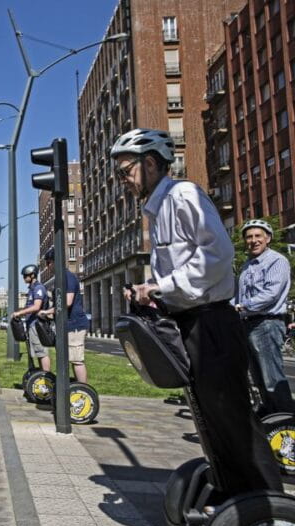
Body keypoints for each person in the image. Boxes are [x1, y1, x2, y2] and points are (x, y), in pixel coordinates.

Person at [113, 128, 281, 496]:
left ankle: (270, 507)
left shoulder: (183, 196)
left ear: (151, 163)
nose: (122, 181)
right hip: (190, 321)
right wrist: (152, 295)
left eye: (125, 171)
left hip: (213, 324)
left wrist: (162, 285)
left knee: (233, 419)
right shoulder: (158, 211)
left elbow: (216, 256)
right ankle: (234, 497)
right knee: (210, 419)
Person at [235, 219, 295, 414]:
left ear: (267, 238)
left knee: (272, 378)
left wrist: (242, 306)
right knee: (258, 377)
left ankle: (287, 422)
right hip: (248, 323)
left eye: (258, 236)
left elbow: (271, 294)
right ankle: (270, 420)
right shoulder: (247, 266)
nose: (253, 240)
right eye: (249, 237)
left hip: (267, 323)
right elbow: (238, 295)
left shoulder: (277, 261)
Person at [36, 248, 90, 383]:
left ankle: (83, 391)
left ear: (55, 262)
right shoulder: (60, 278)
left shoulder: (67, 277)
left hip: (75, 324)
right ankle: (75, 388)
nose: (47, 266)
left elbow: (67, 301)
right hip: (67, 325)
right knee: (69, 358)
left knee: (77, 360)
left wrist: (47, 312)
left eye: (48, 262)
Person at [11, 264, 51, 371]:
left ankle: (47, 377)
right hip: (32, 324)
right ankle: (42, 376)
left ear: (32, 275)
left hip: (37, 325)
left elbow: (36, 306)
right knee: (38, 353)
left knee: (42, 352)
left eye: (25, 276)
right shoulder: (31, 289)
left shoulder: (38, 288)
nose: (24, 278)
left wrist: (20, 313)